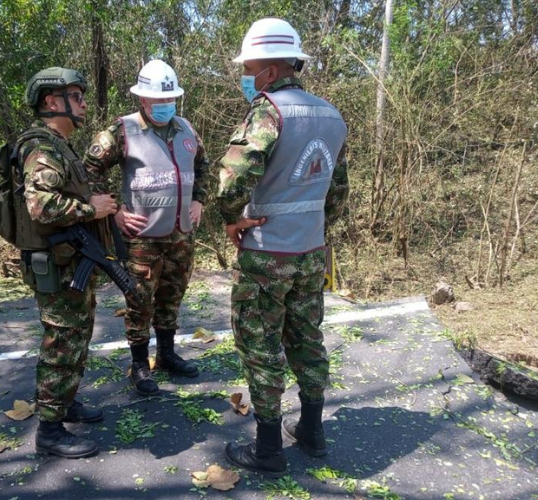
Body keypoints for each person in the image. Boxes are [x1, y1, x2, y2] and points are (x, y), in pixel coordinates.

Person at [216, 18, 350, 477]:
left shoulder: (267, 111)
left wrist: (232, 217)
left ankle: (269, 450)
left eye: (250, 68)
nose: (247, 77)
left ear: (270, 72)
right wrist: (314, 227)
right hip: (312, 253)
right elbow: (338, 193)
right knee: (307, 337)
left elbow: (234, 179)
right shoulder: (331, 115)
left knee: (261, 345)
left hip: (266, 253)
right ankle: (312, 430)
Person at [84, 60, 210, 395]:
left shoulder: (186, 128)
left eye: (170, 101)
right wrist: (113, 210)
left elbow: (203, 165)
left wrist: (199, 200)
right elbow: (89, 170)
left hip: (181, 235)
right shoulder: (122, 131)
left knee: (172, 297)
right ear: (143, 100)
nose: (166, 107)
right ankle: (140, 365)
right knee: (139, 301)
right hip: (142, 237)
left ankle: (166, 355)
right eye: (159, 102)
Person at [15, 67, 118, 459]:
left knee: (75, 337)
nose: (84, 103)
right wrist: (92, 209)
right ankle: (50, 431)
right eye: (76, 95)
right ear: (51, 101)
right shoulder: (42, 147)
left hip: (70, 262)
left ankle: (65, 403)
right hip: (55, 267)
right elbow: (40, 205)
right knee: (61, 342)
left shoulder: (60, 145)